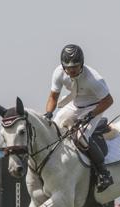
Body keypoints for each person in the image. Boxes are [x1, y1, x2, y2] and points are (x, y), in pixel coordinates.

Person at [43, 44, 114, 192]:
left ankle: (103, 173)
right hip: (74, 105)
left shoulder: (93, 79)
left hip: (94, 106)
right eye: (68, 67)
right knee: (52, 130)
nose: (71, 70)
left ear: (81, 63)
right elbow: (53, 97)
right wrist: (48, 114)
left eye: (75, 66)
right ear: (63, 66)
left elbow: (108, 101)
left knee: (80, 136)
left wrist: (91, 114)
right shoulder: (58, 72)